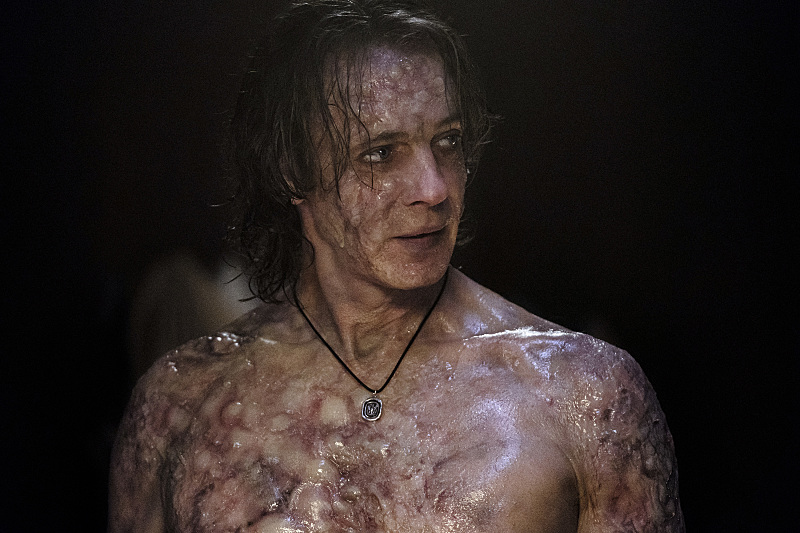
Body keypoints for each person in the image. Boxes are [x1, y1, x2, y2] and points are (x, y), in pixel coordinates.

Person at [109, 1, 683, 531]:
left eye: (449, 142)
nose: (434, 189)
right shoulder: (178, 406)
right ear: (290, 168)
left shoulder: (582, 392)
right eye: (381, 153)